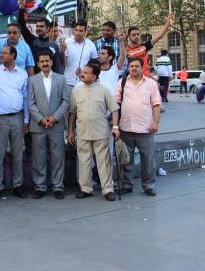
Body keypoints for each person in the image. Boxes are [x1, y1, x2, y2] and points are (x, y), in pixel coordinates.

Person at [67, 62, 120, 201]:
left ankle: (108, 189)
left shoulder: (103, 90)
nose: (82, 74)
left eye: (86, 72)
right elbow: (72, 112)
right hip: (83, 132)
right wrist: (70, 131)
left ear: (94, 76)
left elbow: (114, 109)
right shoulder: (76, 90)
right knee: (84, 161)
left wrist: (115, 127)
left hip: (100, 132)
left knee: (104, 161)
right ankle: (86, 189)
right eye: (83, 71)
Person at [0, 45, 29, 199]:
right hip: (0, 118)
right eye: (1, 53)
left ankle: (17, 185)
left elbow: (25, 98)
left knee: (18, 153)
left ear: (13, 56)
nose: (1, 55)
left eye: (5, 53)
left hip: (18, 117)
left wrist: (26, 119)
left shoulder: (22, 74)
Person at [115, 57, 161, 197]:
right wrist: (115, 126)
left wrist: (155, 122)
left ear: (142, 67)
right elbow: (115, 105)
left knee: (147, 159)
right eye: (131, 66)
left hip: (145, 128)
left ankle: (149, 185)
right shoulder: (122, 83)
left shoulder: (151, 84)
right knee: (125, 159)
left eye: (136, 66)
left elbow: (156, 104)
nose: (134, 68)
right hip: (125, 128)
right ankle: (127, 185)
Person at [27, 50, 71, 199]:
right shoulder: (32, 80)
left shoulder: (61, 79)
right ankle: (40, 186)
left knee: (58, 156)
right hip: (38, 125)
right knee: (39, 157)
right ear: (38, 64)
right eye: (42, 61)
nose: (45, 64)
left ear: (52, 62)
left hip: (56, 124)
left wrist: (55, 117)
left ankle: (58, 186)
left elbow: (66, 101)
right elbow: (30, 103)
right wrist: (41, 119)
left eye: (47, 61)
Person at [17, 0, 62, 74]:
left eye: (41, 26)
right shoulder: (32, 40)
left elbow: (57, 66)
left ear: (48, 29)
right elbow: (22, 26)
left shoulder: (54, 45)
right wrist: (21, 8)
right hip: (35, 78)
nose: (38, 28)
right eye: (37, 26)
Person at [60, 19, 98, 87]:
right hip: (69, 82)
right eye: (76, 30)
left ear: (85, 32)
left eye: (80, 31)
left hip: (85, 82)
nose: (77, 33)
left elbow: (95, 64)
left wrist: (85, 71)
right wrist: (62, 51)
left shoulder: (90, 44)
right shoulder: (67, 42)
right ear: (73, 30)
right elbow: (63, 64)